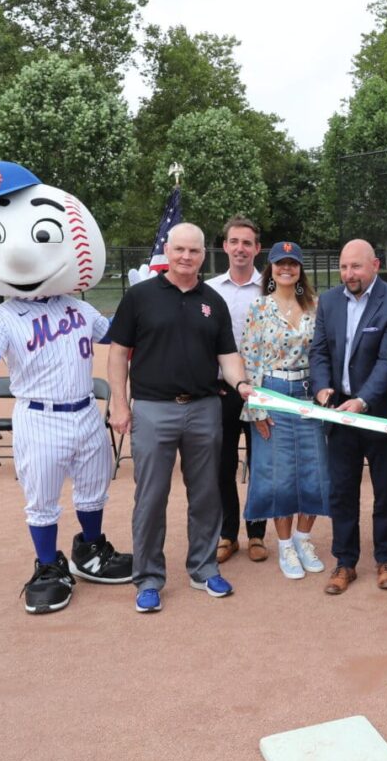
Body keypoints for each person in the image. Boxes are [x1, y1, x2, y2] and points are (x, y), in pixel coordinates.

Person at [0, 161, 132, 614]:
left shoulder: (77, 307)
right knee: (41, 501)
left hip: (84, 411)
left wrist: (138, 303)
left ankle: (90, 550)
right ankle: (47, 565)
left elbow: (111, 333)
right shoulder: (0, 317)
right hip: (39, 416)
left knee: (94, 489)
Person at [107, 222, 252, 613]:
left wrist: (240, 385)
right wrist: (119, 405)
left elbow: (228, 357)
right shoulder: (139, 297)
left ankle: (203, 569)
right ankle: (149, 577)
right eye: (180, 250)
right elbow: (118, 353)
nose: (186, 257)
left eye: (194, 251)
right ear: (168, 251)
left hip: (205, 408)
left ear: (205, 255)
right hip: (153, 409)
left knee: (206, 494)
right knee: (151, 497)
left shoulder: (213, 301)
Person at [309, 239, 387, 595]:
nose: (348, 274)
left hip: (379, 414)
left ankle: (385, 556)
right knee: (342, 491)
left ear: (375, 265)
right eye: (343, 267)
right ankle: (345, 562)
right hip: (339, 415)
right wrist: (323, 387)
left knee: (385, 489)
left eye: (355, 267)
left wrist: (363, 400)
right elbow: (319, 350)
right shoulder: (328, 301)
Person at [239, 241, 330, 580]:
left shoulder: (316, 307)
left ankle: (304, 540)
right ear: (271, 269)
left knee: (314, 469)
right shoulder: (259, 308)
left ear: (301, 269)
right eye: (280, 263)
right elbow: (249, 360)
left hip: (308, 394)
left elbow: (323, 354)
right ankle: (285, 545)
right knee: (278, 474)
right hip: (273, 392)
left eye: (293, 263)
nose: (287, 268)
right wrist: (256, 409)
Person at [207, 216, 267, 563]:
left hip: (261, 392)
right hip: (223, 392)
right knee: (223, 465)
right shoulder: (211, 289)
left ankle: (256, 533)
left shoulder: (271, 288)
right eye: (235, 242)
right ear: (225, 246)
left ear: (257, 248)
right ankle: (227, 533)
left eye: (247, 242)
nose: (241, 248)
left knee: (260, 464)